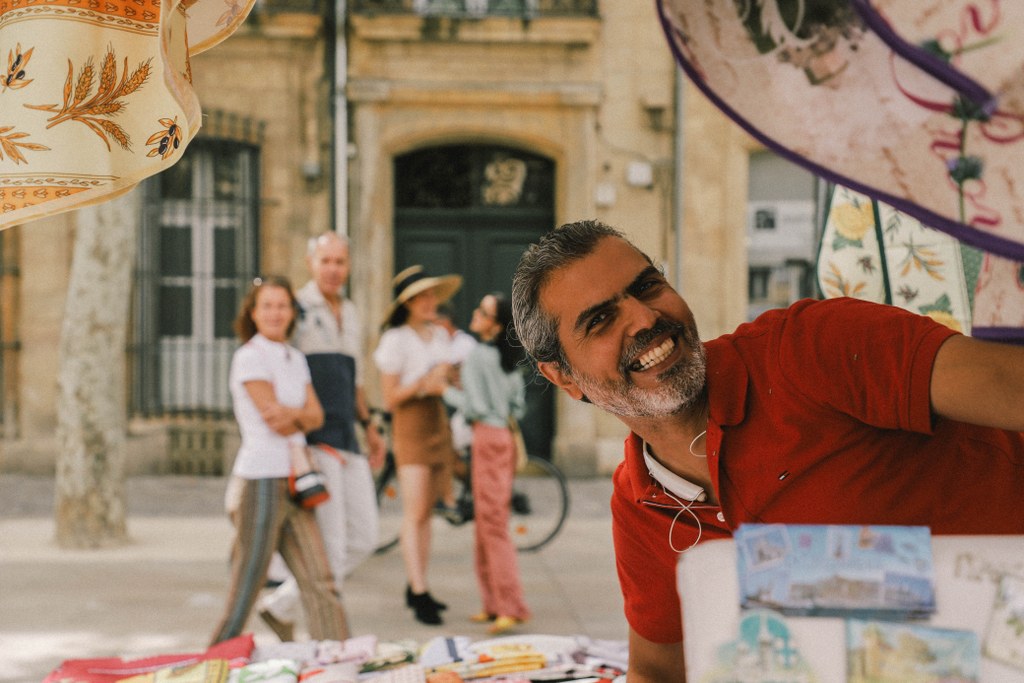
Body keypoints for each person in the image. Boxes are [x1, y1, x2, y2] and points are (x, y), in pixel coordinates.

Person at [510, 220, 1024, 683]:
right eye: (601, 320)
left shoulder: (811, 346)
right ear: (563, 377)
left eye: (648, 286)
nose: (645, 318)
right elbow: (659, 671)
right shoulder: (640, 504)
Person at [255, 232, 386, 641]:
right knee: (330, 545)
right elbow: (276, 364)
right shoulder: (295, 308)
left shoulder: (351, 310)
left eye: (340, 262)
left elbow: (356, 379)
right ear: (311, 262)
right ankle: (328, 640)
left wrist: (371, 427)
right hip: (315, 441)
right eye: (326, 261)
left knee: (365, 539)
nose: (333, 269)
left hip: (350, 439)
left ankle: (282, 606)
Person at [211, 276, 348, 645]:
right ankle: (211, 663)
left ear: (292, 312)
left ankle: (339, 659)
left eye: (282, 305)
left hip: (297, 480)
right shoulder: (249, 356)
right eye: (267, 306)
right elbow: (273, 417)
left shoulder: (295, 357)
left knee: (321, 580)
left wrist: (295, 415)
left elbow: (316, 417)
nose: (275, 313)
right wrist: (297, 414)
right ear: (253, 313)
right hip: (260, 481)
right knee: (247, 585)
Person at [373, 265, 463, 625]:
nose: (431, 302)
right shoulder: (395, 339)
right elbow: (391, 396)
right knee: (414, 511)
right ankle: (418, 587)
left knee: (428, 511)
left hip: (436, 422)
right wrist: (424, 383)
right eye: (423, 297)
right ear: (407, 302)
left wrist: (449, 377)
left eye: (433, 296)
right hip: (410, 425)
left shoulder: (438, 336)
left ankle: (419, 585)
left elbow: (449, 379)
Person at [441, 293, 530, 635]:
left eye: (481, 312)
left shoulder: (478, 355)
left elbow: (473, 406)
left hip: (485, 437)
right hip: (502, 438)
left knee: (491, 523)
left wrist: (444, 391)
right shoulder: (506, 359)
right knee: (487, 519)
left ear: (494, 324)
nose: (474, 315)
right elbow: (517, 407)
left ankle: (508, 605)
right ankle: (494, 603)